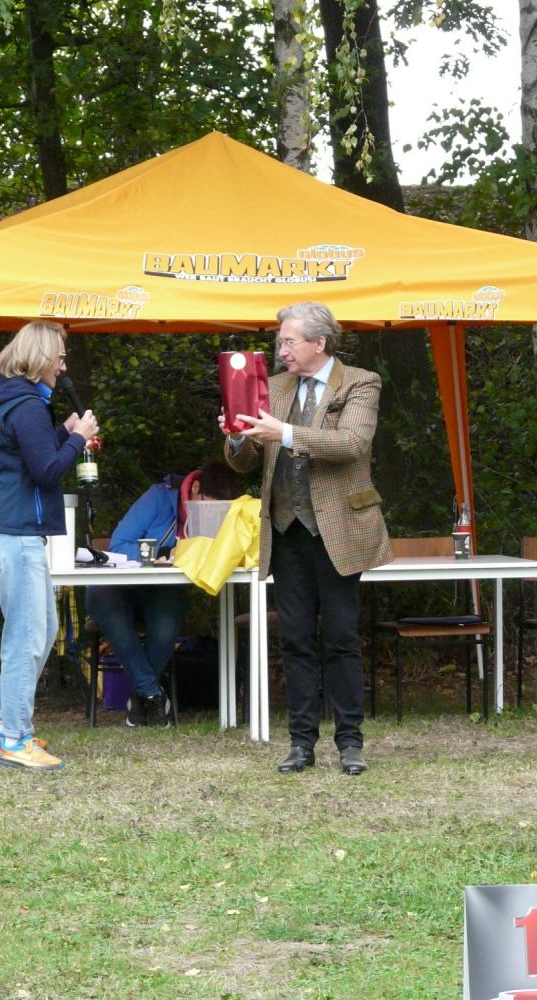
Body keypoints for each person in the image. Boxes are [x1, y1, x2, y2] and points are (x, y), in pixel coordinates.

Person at [222, 301, 392, 775]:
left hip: (339, 531)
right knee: (295, 641)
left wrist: (285, 433)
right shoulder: (273, 387)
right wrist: (237, 438)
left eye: (289, 342)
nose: (281, 351)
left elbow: (353, 443)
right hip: (286, 533)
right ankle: (301, 744)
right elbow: (245, 462)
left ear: (320, 342)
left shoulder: (360, 382)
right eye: (279, 342)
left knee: (340, 639)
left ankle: (350, 743)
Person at [0, 321, 98, 770]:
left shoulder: (3, 399)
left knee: (41, 631)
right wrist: (79, 438)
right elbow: (46, 471)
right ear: (42, 358)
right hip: (14, 536)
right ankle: (15, 739)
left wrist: (63, 433)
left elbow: (27, 460)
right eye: (59, 358)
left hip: (5, 532)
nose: (63, 367)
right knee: (27, 639)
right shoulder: (26, 406)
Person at [85, 461, 243, 728]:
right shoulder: (159, 497)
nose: (211, 516)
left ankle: (142, 697)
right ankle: (153, 694)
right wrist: (161, 554)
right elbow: (119, 545)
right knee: (104, 602)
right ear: (195, 488)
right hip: (119, 587)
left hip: (164, 591)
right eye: (207, 506)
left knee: (166, 621)